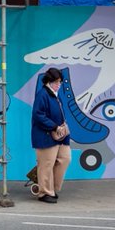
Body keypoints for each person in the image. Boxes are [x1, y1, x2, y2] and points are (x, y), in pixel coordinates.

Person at [31, 66, 71, 204]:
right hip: (46, 135)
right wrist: (54, 126)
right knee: (46, 164)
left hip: (59, 135)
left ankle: (51, 188)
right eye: (56, 82)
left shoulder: (54, 94)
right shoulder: (42, 94)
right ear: (49, 81)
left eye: (60, 81)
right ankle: (44, 192)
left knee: (65, 159)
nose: (59, 84)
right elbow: (38, 115)